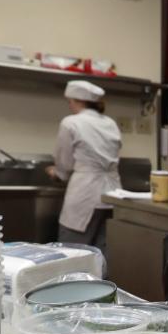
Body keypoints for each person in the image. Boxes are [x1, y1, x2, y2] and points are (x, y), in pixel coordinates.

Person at [46, 79, 121, 253]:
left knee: (72, 253)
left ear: (79, 101)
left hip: (84, 194)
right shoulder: (110, 123)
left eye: (70, 102)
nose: (70, 106)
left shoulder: (71, 122)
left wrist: (56, 172)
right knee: (102, 254)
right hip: (112, 193)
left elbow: (64, 164)